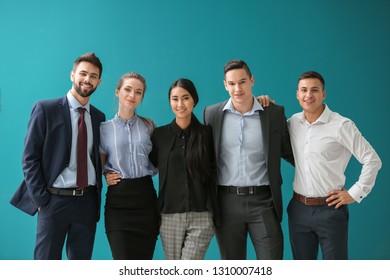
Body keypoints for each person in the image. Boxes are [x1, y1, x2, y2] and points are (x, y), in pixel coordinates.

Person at [10, 52, 106, 259]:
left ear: (99, 81)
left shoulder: (99, 117)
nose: (87, 79)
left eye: (93, 76)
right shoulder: (46, 109)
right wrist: (41, 200)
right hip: (53, 202)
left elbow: (97, 159)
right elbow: (30, 157)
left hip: (87, 202)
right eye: (83, 73)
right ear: (72, 75)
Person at [203, 59, 294, 260]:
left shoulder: (273, 113)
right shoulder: (211, 114)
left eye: (242, 81)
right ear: (225, 85)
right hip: (225, 203)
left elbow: (290, 153)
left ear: (252, 80)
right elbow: (204, 159)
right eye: (232, 83)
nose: (238, 88)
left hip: (263, 201)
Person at [287, 71, 382, 259]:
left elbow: (372, 159)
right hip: (298, 209)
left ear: (323, 94)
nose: (309, 95)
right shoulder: (292, 123)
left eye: (315, 90)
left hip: (330, 210)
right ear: (297, 94)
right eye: (304, 90)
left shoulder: (341, 125)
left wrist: (354, 193)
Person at [149, 78, 218, 260]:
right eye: (175, 98)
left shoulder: (207, 134)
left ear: (194, 100)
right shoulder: (159, 135)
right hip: (169, 216)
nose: (180, 104)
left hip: (202, 215)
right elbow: (146, 164)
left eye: (185, 98)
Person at [100, 72, 159, 260]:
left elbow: (161, 160)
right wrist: (105, 174)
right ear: (117, 91)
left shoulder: (149, 126)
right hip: (119, 203)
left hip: (146, 201)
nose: (132, 95)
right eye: (127, 89)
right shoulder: (104, 128)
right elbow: (98, 163)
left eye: (138, 92)